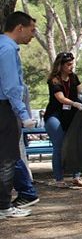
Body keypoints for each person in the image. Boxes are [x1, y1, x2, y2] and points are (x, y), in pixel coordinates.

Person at [0, 11, 37, 218]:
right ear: (19, 28)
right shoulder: (7, 49)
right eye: (31, 30)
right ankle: (4, 206)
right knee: (7, 159)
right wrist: (23, 114)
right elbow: (12, 87)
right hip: (4, 109)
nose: (33, 35)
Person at [43, 51, 82, 188]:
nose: (71, 67)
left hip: (70, 116)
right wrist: (74, 103)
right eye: (68, 64)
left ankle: (76, 176)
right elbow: (60, 98)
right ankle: (59, 179)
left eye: (72, 64)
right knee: (60, 144)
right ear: (61, 65)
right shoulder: (54, 80)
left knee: (74, 144)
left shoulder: (74, 77)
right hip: (54, 115)